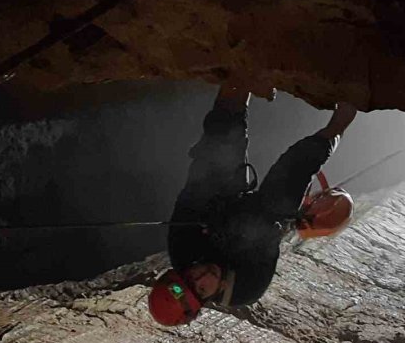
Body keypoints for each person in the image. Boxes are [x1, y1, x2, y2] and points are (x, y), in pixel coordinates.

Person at [148, 84, 357, 325]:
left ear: (180, 271)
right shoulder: (247, 288)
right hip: (259, 222)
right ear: (206, 300)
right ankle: (341, 121)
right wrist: (243, 231)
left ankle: (242, 81)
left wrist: (216, 211)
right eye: (201, 289)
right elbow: (269, 237)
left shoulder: (182, 247)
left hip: (221, 200)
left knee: (218, 150)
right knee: (283, 190)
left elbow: (195, 191)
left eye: (191, 277)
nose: (202, 275)